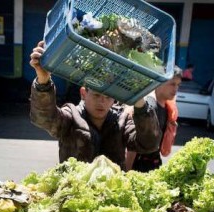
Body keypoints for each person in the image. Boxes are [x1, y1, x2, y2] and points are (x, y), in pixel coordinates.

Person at [28, 41, 161, 170]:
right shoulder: (71, 116)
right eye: (96, 95)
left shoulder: (122, 120)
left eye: (108, 97)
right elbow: (44, 118)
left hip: (111, 192)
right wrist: (43, 80)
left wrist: (139, 101)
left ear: (114, 98)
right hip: (74, 190)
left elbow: (149, 144)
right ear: (83, 93)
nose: (102, 102)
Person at [125, 67, 182, 172]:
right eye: (172, 84)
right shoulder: (147, 108)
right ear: (159, 82)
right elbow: (132, 147)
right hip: (138, 166)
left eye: (178, 85)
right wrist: (126, 172)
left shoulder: (167, 108)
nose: (176, 89)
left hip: (153, 164)